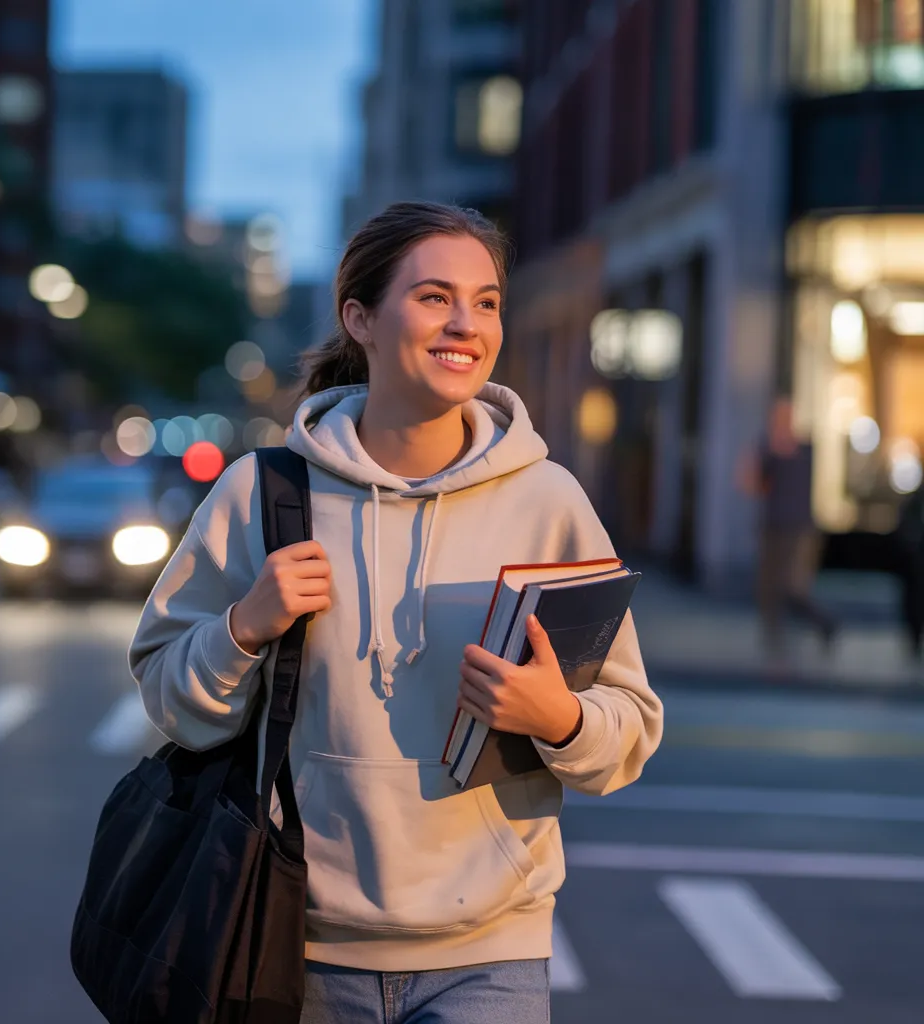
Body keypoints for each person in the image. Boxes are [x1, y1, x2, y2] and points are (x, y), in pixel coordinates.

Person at [129, 201, 663, 1023]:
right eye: (433, 297)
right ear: (360, 318)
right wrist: (243, 628)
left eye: (485, 301)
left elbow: (628, 728)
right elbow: (170, 697)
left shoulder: (547, 501)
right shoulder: (265, 494)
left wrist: (557, 718)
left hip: (491, 955)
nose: (466, 324)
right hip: (291, 945)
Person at [746, 396, 837, 659]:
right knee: (767, 586)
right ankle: (773, 639)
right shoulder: (766, 450)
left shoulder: (804, 448)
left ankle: (826, 623)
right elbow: (752, 485)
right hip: (772, 526)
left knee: (794, 586)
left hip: (800, 528)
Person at [894, 484, 924, 662]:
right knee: (914, 602)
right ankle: (914, 640)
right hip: (916, 564)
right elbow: (905, 530)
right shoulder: (914, 502)